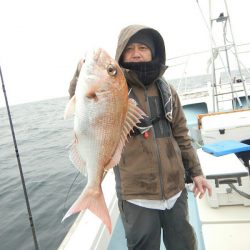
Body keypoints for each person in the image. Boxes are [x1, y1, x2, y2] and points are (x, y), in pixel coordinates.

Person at [68, 24, 212, 250]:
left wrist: (197, 173)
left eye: (143, 47)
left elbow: (183, 136)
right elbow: (81, 102)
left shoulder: (168, 91)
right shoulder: (114, 88)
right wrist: (80, 74)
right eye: (130, 48)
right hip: (136, 195)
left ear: (154, 53)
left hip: (175, 191)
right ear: (121, 54)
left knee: (184, 243)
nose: (136, 52)